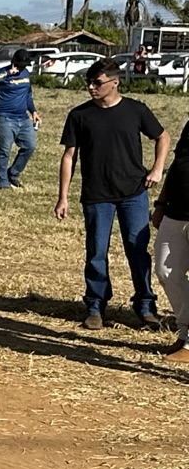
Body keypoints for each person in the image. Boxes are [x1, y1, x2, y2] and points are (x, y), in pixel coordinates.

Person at [57, 58, 171, 331]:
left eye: (97, 82)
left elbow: (163, 137)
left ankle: (146, 306)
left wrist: (157, 169)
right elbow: (69, 156)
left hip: (133, 193)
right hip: (97, 195)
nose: (91, 87)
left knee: (137, 250)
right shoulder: (79, 115)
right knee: (96, 251)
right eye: (88, 82)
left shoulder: (135, 110)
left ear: (114, 82)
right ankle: (95, 306)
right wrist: (63, 196)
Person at [0, 48, 40, 189]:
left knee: (30, 146)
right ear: (14, 62)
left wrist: (33, 111)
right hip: (4, 118)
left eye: (24, 66)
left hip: (23, 118)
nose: (22, 68)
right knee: (4, 150)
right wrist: (7, 73)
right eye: (20, 65)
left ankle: (13, 174)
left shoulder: (26, 74)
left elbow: (28, 95)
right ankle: (1, 181)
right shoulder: (2, 72)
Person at [155, 144, 189, 360]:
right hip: (175, 212)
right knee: (166, 271)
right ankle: (184, 331)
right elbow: (178, 164)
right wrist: (161, 203)